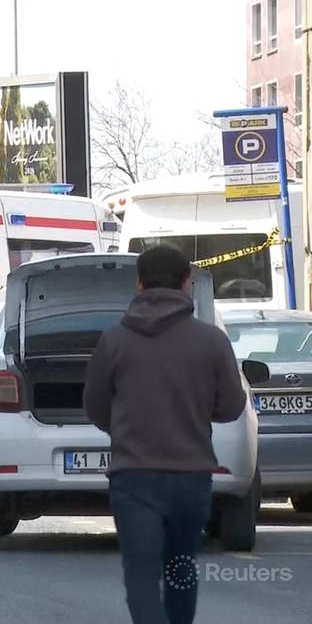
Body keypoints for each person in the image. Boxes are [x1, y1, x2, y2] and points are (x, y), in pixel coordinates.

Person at [83, 246, 247, 624]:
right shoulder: (211, 341)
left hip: (133, 477)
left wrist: (126, 428)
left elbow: (94, 406)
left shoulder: (114, 341)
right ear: (186, 284)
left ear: (139, 283)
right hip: (191, 478)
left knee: (141, 573)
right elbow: (231, 407)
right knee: (180, 570)